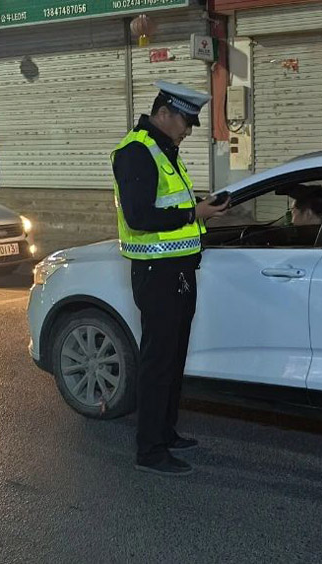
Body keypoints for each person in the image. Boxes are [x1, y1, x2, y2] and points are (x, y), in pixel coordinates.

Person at [112, 81, 229, 477]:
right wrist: (195, 215)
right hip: (156, 274)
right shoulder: (136, 152)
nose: (189, 130)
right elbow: (139, 217)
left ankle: (166, 430)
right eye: (186, 122)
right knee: (157, 361)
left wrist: (202, 210)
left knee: (174, 356)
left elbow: (176, 207)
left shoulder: (166, 151)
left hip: (179, 270)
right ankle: (150, 449)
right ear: (164, 113)